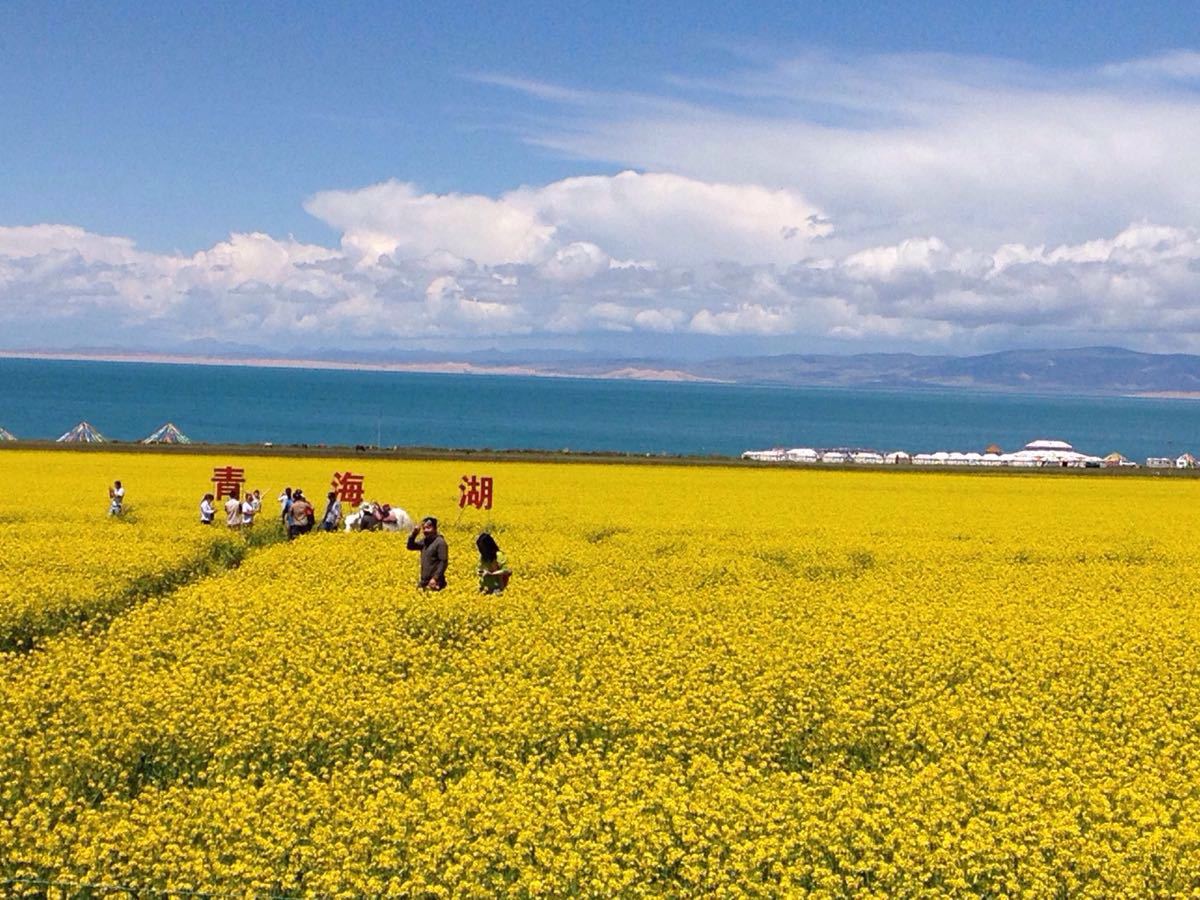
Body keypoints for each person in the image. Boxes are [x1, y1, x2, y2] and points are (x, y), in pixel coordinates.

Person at [407, 516, 448, 590]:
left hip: (435, 583)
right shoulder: (425, 542)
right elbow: (410, 546)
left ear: (435, 529)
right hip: (424, 582)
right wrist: (414, 534)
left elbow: (443, 562)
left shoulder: (440, 543)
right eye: (424, 528)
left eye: (428, 528)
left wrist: (435, 578)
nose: (425, 531)